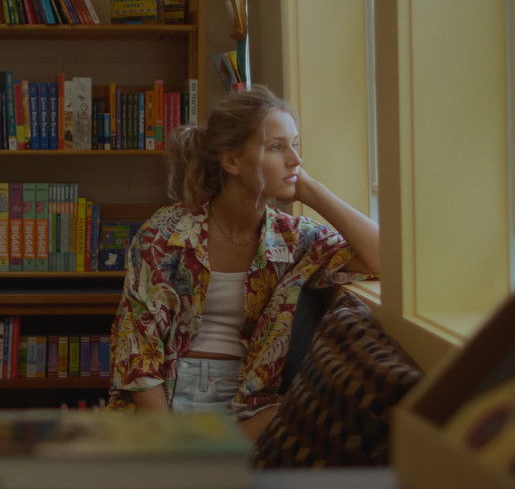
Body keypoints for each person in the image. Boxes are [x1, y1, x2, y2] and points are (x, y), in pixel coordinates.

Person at [107, 86, 380, 441]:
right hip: (168, 400)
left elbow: (383, 258)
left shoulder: (294, 239)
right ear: (232, 161)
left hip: (249, 408)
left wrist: (312, 191)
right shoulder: (165, 234)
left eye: (295, 145)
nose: (295, 160)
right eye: (277, 147)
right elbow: (137, 350)